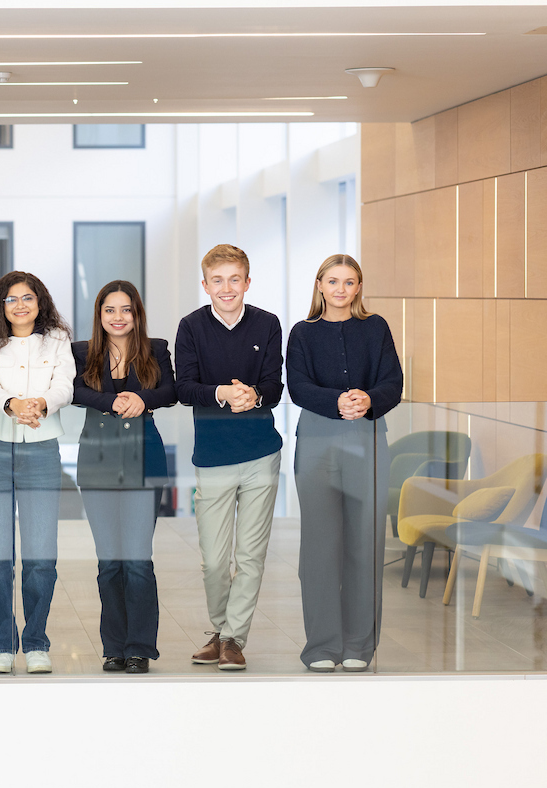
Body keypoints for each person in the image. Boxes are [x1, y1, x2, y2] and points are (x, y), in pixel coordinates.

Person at [287, 254, 402, 673]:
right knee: (319, 547)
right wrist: (336, 401)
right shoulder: (302, 332)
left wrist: (369, 399)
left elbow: (394, 381)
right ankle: (321, 646)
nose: (340, 289)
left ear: (358, 287)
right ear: (319, 285)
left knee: (365, 544)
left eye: (349, 281)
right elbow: (297, 385)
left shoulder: (377, 328)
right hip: (316, 440)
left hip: (368, 438)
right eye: (332, 281)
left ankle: (359, 645)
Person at [174, 244, 283, 671]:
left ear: (247, 282)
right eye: (217, 280)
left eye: (234, 279)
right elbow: (184, 388)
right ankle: (220, 629)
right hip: (214, 456)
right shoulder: (191, 327)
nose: (226, 288)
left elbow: (275, 386)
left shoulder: (268, 324)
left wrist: (255, 394)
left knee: (251, 556)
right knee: (216, 560)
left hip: (261, 453)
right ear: (205, 285)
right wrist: (222, 393)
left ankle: (234, 639)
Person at [72, 281, 176, 674]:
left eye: (126, 309)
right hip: (97, 459)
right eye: (110, 310)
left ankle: (140, 647)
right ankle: (113, 646)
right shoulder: (82, 352)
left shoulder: (156, 349)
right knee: (109, 562)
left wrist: (142, 399)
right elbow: (74, 392)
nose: (118, 317)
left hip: (143, 457)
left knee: (136, 560)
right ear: (100, 315)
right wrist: (112, 401)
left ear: (137, 314)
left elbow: (171, 391)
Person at [0, 271, 74, 674]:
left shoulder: (58, 340)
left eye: (27, 297)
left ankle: (35, 641)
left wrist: (41, 406)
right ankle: (0, 644)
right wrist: (14, 404)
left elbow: (65, 384)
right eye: (10, 299)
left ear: (40, 302)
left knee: (40, 557)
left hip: (42, 449)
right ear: (0, 305)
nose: (19, 305)